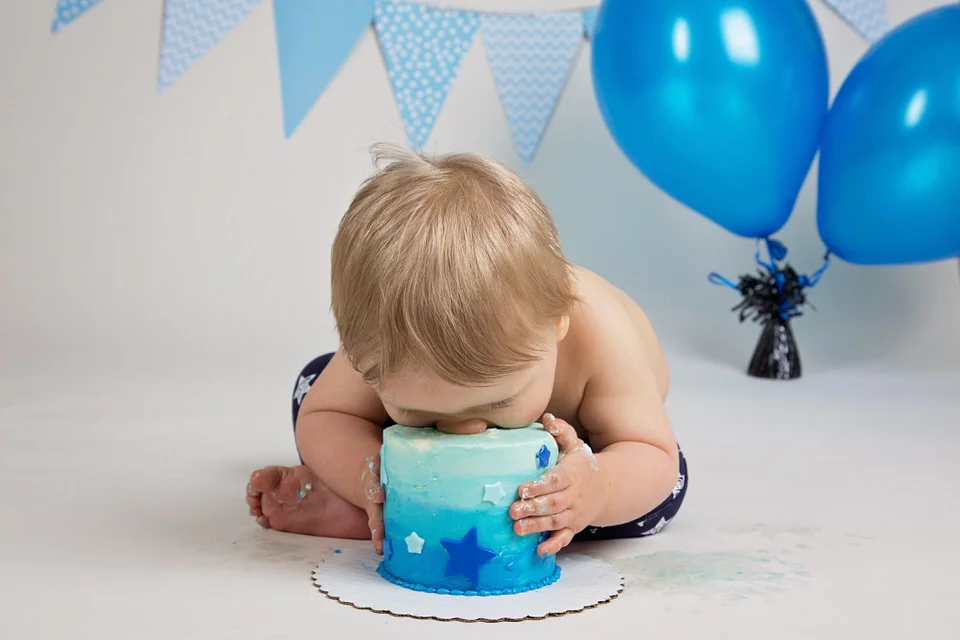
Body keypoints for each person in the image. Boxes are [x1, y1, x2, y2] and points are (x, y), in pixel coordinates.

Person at [246, 147, 688, 557]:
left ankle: (540, 514)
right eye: (417, 411)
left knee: (657, 494)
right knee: (315, 387)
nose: (463, 432)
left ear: (558, 321)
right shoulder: (388, 330)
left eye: (499, 402)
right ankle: (381, 509)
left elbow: (651, 452)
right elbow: (326, 416)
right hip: (412, 466)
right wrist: (370, 479)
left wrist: (596, 491)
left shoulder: (599, 329)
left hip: (586, 445)